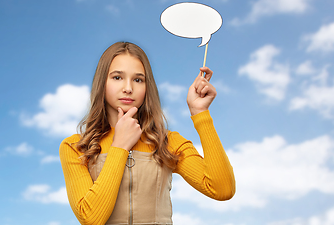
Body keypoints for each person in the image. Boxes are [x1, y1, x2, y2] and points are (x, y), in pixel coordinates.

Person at [59, 41, 235, 225]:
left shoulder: (168, 142)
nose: (128, 88)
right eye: (117, 77)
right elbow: (91, 219)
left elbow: (222, 189)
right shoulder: (75, 147)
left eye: (138, 79)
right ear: (102, 82)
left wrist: (200, 114)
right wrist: (120, 146)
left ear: (147, 87)